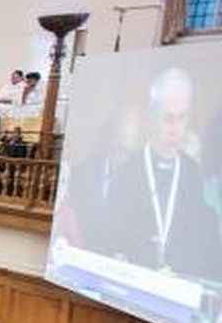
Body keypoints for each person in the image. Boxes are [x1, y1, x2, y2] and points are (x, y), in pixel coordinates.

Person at [95, 68, 222, 275]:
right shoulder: (126, 173)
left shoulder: (192, 172)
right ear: (152, 116)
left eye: (182, 118)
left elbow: (203, 246)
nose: (174, 129)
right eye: (167, 118)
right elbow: (107, 239)